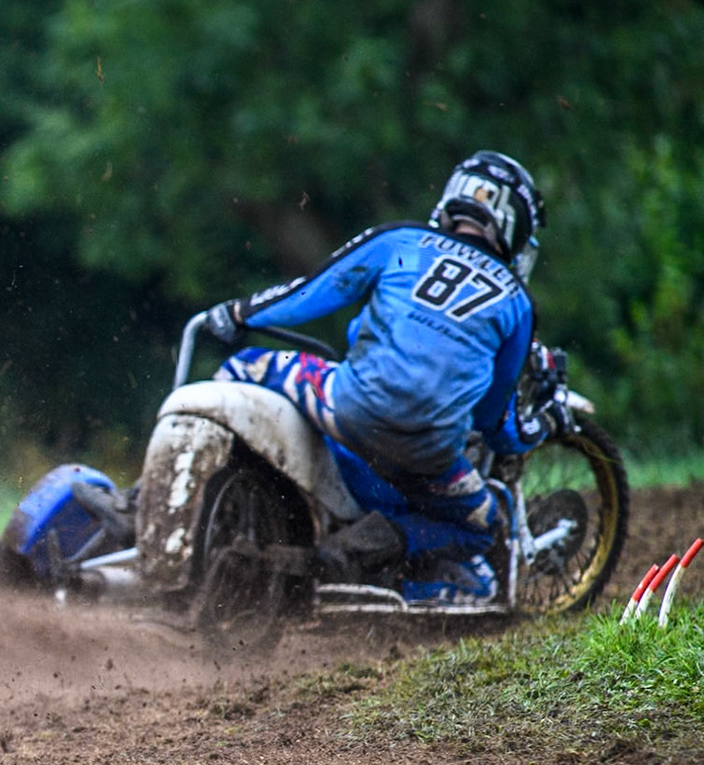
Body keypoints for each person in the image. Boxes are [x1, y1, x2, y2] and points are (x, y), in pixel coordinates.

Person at [201, 151, 568, 605]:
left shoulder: (401, 241)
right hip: (429, 453)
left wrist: (241, 313)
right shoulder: (517, 303)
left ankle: (171, 498)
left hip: (349, 408)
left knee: (246, 367)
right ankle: (350, 552)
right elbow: (496, 423)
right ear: (513, 225)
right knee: (483, 525)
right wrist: (546, 424)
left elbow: (313, 292)